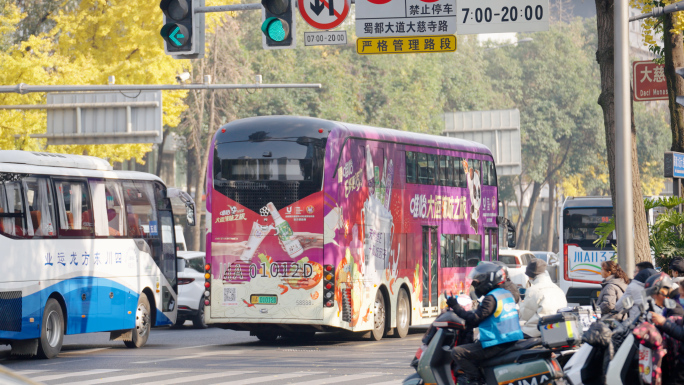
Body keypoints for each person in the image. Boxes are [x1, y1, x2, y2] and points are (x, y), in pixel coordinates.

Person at [449, 262, 524, 385]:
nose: (476, 284)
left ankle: (475, 380)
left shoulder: (491, 298)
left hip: (497, 342)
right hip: (510, 339)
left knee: (457, 352)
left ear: (488, 280)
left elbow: (475, 318)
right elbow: (490, 316)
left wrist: (455, 307)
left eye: (478, 281)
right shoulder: (505, 294)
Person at [518, 259, 567, 337]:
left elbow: (525, 316)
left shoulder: (533, 290)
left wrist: (521, 304)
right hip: (556, 329)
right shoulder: (558, 289)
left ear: (530, 275)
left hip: (537, 330)